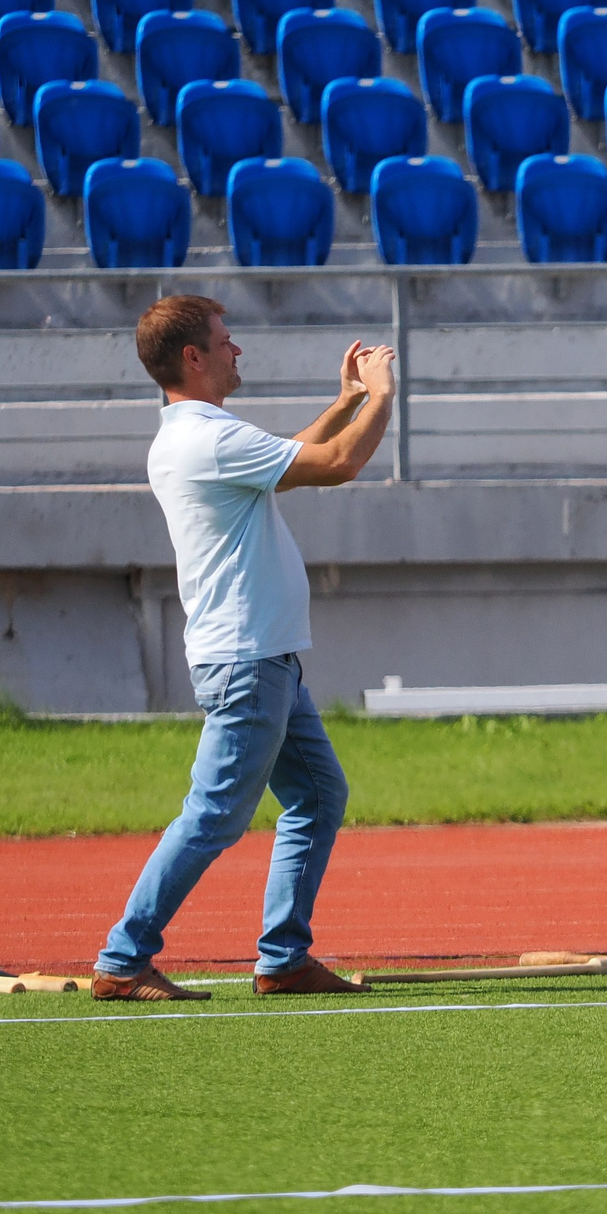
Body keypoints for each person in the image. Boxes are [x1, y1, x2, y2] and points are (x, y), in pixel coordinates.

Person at [92, 295, 397, 1002]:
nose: (238, 351)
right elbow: (338, 464)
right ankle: (123, 956)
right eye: (226, 342)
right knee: (213, 814)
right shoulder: (209, 438)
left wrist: (345, 399)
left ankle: (284, 958)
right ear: (193, 358)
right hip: (249, 661)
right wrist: (381, 397)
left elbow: (292, 456)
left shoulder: (199, 433)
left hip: (268, 659)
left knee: (319, 795)